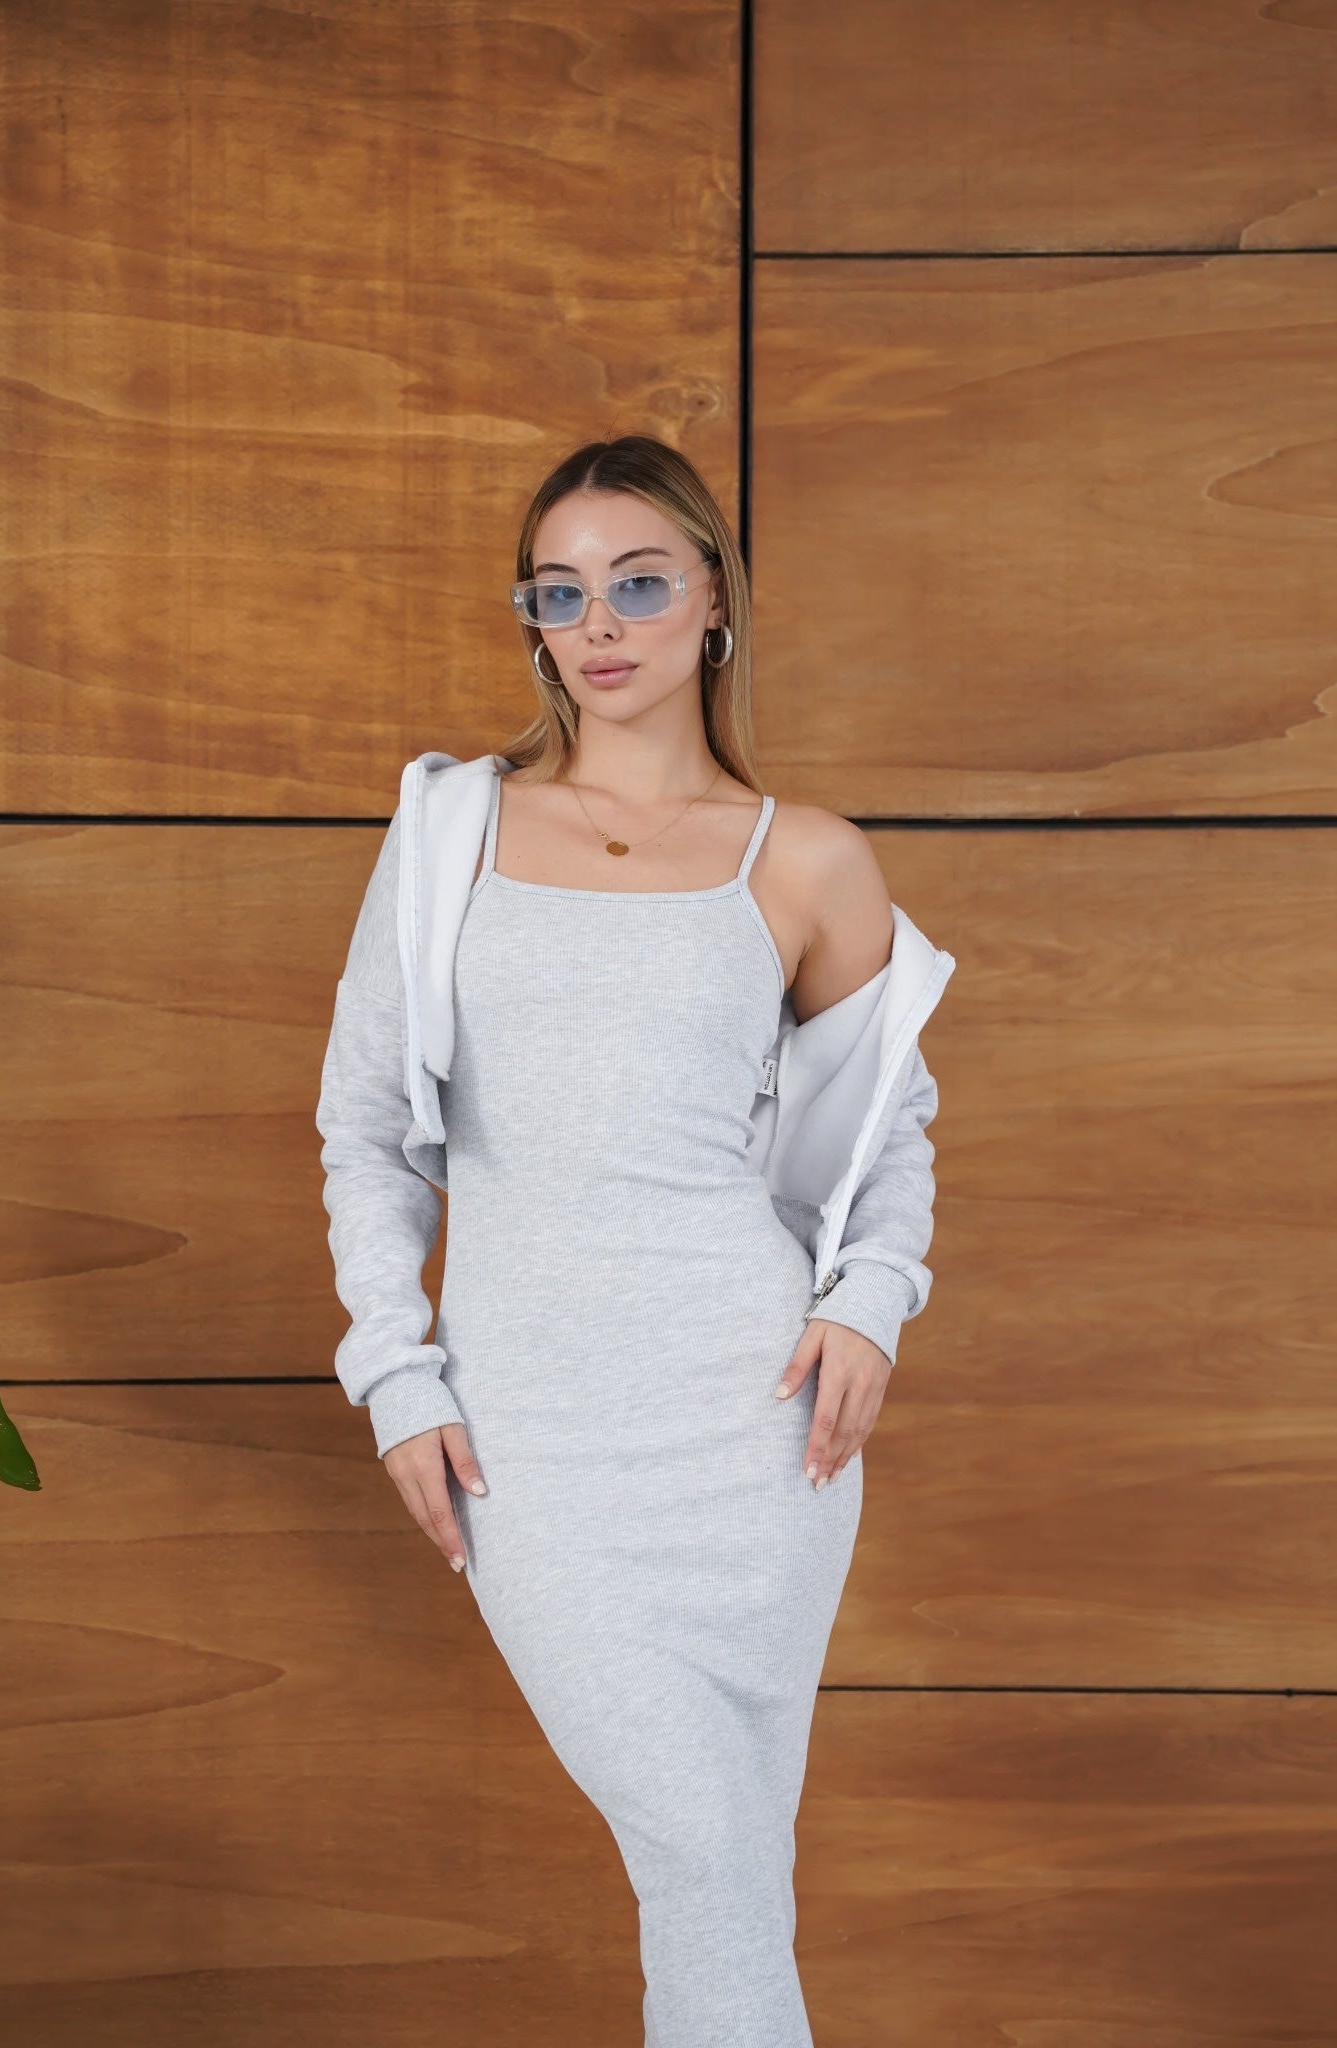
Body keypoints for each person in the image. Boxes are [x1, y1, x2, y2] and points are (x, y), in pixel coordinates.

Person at [316, 432, 949, 2046]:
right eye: (560, 592)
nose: (597, 624)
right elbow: (365, 1128)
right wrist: (397, 1375)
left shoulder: (805, 858)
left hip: (751, 1426)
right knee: (705, 1849)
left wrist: (869, 1304)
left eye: (639, 582)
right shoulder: (450, 832)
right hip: (530, 1433)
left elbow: (889, 1132)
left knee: (721, 1868)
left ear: (713, 599)